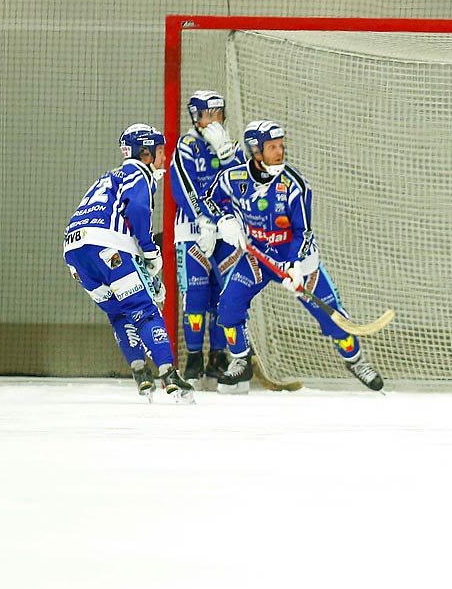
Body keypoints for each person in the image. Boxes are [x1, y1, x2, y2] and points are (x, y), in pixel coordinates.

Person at [207, 120, 384, 393]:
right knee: (228, 306)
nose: (279, 152)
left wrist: (295, 267)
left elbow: (302, 231)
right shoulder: (234, 178)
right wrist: (224, 220)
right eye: (272, 147)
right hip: (257, 257)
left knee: (334, 317)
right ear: (255, 151)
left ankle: (355, 360)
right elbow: (211, 201)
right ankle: (241, 360)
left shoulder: (294, 185)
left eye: (281, 146)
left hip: (296, 260)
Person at [63, 123, 194, 402]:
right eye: (159, 151)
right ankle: (170, 374)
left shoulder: (107, 178)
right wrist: (150, 252)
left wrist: (145, 273)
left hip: (74, 253)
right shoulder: (139, 174)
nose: (163, 158)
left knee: (120, 313)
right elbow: (136, 209)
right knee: (145, 311)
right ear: (144, 152)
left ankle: (140, 372)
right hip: (108, 246)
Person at [169, 90, 245, 389]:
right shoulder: (186, 146)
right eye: (208, 114)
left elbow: (242, 183)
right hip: (193, 232)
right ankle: (193, 359)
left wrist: (227, 154)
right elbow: (183, 187)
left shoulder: (231, 147)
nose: (214, 120)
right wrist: (202, 220)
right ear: (195, 116)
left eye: (218, 113)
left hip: (226, 232)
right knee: (196, 296)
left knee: (224, 297)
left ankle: (217, 357)